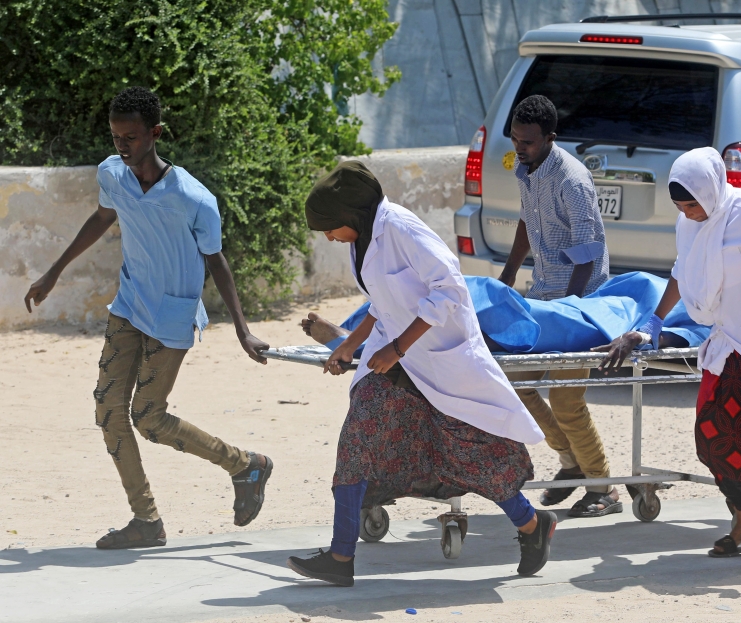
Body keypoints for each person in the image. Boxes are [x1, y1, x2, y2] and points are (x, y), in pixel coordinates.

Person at [23, 87, 273, 549]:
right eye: (117, 136)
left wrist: (243, 330)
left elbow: (217, 262)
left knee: (148, 417)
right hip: (130, 305)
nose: (123, 145)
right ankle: (147, 521)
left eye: (132, 137)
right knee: (108, 410)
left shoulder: (193, 198)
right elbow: (102, 218)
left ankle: (245, 464)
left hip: (173, 316)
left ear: (155, 133)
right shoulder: (112, 174)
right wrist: (53, 272)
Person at [284, 161, 556, 587]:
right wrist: (350, 344)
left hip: (437, 359)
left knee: (469, 452)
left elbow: (449, 289)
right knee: (357, 439)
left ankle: (531, 524)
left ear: (351, 216)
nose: (327, 237)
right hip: (395, 361)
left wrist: (398, 347)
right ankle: (340, 556)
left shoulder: (403, 230)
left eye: (329, 228)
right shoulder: (366, 237)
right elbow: (384, 301)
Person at [599, 148, 741, 560]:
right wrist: (651, 322)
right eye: (680, 206)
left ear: (712, 189)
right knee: (715, 434)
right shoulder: (689, 223)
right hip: (728, 344)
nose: (688, 213)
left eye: (692, 203)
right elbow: (681, 269)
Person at [497, 94, 622, 518]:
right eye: (515, 139)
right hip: (543, 293)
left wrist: (572, 304)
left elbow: (589, 249)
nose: (519, 147)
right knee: (517, 381)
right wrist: (510, 272)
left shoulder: (571, 178)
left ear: (550, 138)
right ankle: (572, 465)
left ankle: (602, 487)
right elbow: (527, 220)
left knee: (568, 402)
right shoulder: (525, 168)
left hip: (579, 299)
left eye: (528, 142)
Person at [299, 272, 708, 355]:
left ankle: (356, 337)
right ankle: (357, 330)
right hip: (584, 306)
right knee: (491, 296)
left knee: (490, 298)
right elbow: (613, 288)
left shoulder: (708, 313)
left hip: (591, 327)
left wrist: (638, 336)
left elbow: (681, 337)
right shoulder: (675, 281)